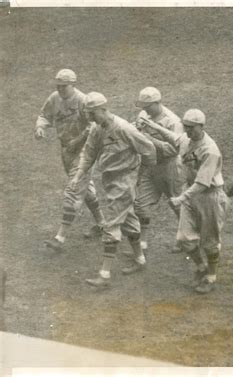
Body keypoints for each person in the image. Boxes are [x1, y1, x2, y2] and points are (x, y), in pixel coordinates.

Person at [70, 92, 156, 288]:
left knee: (111, 224)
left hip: (124, 181)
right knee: (129, 220)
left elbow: (149, 149)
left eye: (92, 113)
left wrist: (139, 175)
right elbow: (89, 153)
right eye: (88, 114)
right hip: (109, 180)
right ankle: (140, 260)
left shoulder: (124, 128)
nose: (90, 117)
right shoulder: (97, 128)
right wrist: (77, 176)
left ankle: (105, 275)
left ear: (103, 109)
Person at [141, 109, 229, 294]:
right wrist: (151, 126)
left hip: (209, 196)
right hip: (191, 194)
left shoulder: (209, 150)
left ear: (201, 127)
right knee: (184, 238)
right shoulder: (187, 139)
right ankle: (200, 267)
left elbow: (203, 183)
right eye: (186, 127)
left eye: (191, 128)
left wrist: (181, 198)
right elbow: (174, 137)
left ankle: (211, 278)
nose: (188, 131)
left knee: (210, 242)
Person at [35, 69, 105, 252]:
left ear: (73, 84)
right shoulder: (54, 98)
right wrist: (40, 127)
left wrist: (78, 140)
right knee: (86, 190)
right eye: (58, 85)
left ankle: (60, 237)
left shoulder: (83, 100)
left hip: (84, 151)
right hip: (66, 150)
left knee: (73, 191)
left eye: (63, 86)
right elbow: (44, 115)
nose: (60, 89)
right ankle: (102, 224)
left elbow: (93, 126)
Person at [133, 87, 185, 253]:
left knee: (177, 204)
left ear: (157, 103)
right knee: (140, 203)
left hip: (170, 167)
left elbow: (173, 150)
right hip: (150, 166)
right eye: (143, 106)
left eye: (147, 106)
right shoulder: (143, 115)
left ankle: (184, 238)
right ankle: (143, 242)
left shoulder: (173, 122)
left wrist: (147, 138)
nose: (144, 109)